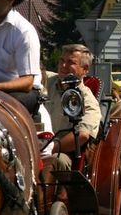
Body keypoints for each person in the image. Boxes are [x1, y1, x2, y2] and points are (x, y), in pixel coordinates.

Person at [42, 44, 102, 191]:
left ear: (85, 69)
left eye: (71, 62)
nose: (63, 66)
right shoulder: (45, 81)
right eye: (61, 61)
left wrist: (50, 148)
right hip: (32, 143)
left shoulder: (88, 101)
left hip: (60, 152)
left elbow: (82, 135)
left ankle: (44, 200)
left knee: (56, 160)